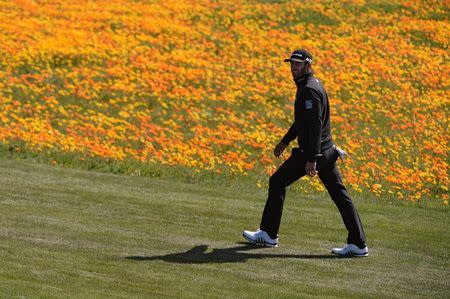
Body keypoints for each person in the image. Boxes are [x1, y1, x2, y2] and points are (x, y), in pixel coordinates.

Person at [242, 49, 368, 257]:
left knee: (277, 182)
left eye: (298, 64)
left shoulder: (308, 90)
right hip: (327, 151)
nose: (293, 67)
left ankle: (268, 234)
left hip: (313, 152)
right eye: (292, 63)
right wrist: (285, 141)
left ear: (308, 66)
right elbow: (302, 122)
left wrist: (312, 160)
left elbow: (315, 126)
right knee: (340, 196)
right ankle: (358, 243)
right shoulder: (312, 85)